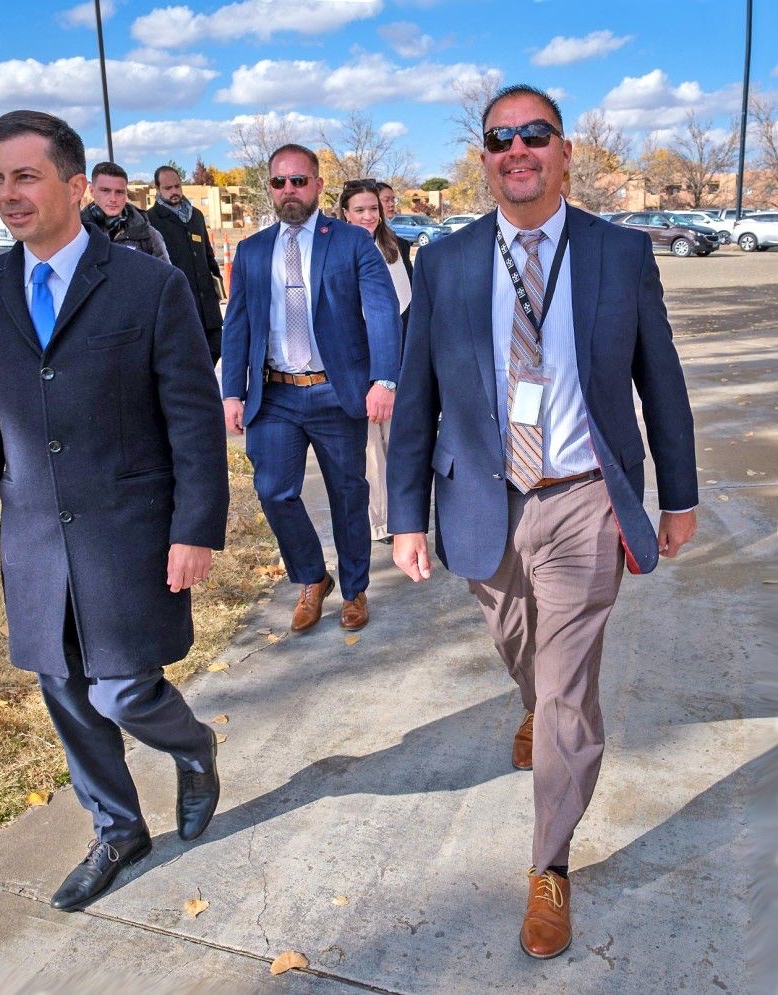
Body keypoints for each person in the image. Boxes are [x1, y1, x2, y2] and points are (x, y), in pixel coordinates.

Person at [387, 84, 698, 959]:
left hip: (583, 498)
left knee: (567, 689)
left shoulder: (619, 251)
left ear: (566, 152)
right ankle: (531, 700)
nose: (516, 149)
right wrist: (405, 514)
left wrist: (677, 496)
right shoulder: (444, 262)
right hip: (480, 499)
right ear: (484, 158)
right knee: (519, 649)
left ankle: (549, 861)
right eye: (500, 138)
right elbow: (416, 396)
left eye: (534, 134)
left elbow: (660, 379)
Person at [0, 110, 229, 914]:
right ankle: (118, 828)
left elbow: (192, 418)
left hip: (128, 531)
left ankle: (193, 746)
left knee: (123, 690)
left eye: (25, 176)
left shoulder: (149, 285)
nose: (8, 194)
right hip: (35, 534)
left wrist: (195, 527)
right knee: (66, 692)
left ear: (76, 186)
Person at [221, 144, 401, 633]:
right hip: (275, 394)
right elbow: (237, 324)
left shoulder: (351, 242)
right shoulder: (252, 250)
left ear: (318, 185)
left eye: (298, 181)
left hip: (335, 392)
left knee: (348, 493)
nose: (288, 190)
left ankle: (355, 589)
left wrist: (384, 379)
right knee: (273, 491)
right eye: (279, 182)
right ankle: (312, 577)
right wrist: (231, 392)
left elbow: (382, 311)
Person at [338, 179, 413, 544]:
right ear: (345, 214)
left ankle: (405, 515)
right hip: (358, 360)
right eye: (360, 210)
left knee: (399, 440)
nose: (368, 216)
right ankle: (381, 522)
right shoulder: (336, 250)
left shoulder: (396, 247)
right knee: (370, 447)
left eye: (373, 209)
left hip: (397, 354)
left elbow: (407, 305)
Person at [147, 166, 224, 365]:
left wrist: (218, 287)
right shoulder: (150, 220)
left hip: (208, 309)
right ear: (157, 189)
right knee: (188, 364)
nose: (174, 191)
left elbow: (208, 255)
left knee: (215, 350)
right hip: (179, 309)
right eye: (168, 188)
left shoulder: (196, 215)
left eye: (177, 186)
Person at [81, 161, 169, 262]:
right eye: (105, 190)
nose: (113, 199)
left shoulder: (149, 235)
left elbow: (164, 271)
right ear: (92, 191)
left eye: (119, 192)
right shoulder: (76, 232)